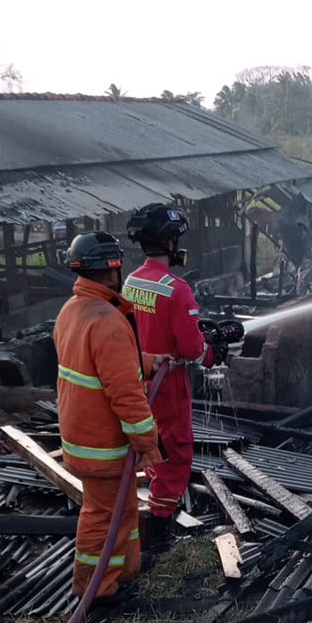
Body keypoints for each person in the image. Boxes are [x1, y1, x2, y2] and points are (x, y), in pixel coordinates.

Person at [54, 232, 160, 620]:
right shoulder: (108, 320)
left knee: (123, 508)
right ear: (113, 267)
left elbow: (108, 364)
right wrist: (148, 441)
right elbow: (125, 393)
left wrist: (151, 361)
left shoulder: (74, 310)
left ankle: (123, 571)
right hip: (103, 443)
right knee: (102, 516)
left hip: (82, 435)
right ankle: (96, 591)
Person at [122, 204, 215, 552]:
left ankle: (152, 512)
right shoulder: (177, 289)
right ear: (170, 243)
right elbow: (192, 349)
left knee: (150, 448)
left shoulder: (130, 283)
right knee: (176, 455)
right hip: (168, 382)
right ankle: (160, 532)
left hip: (137, 379)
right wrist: (212, 352)